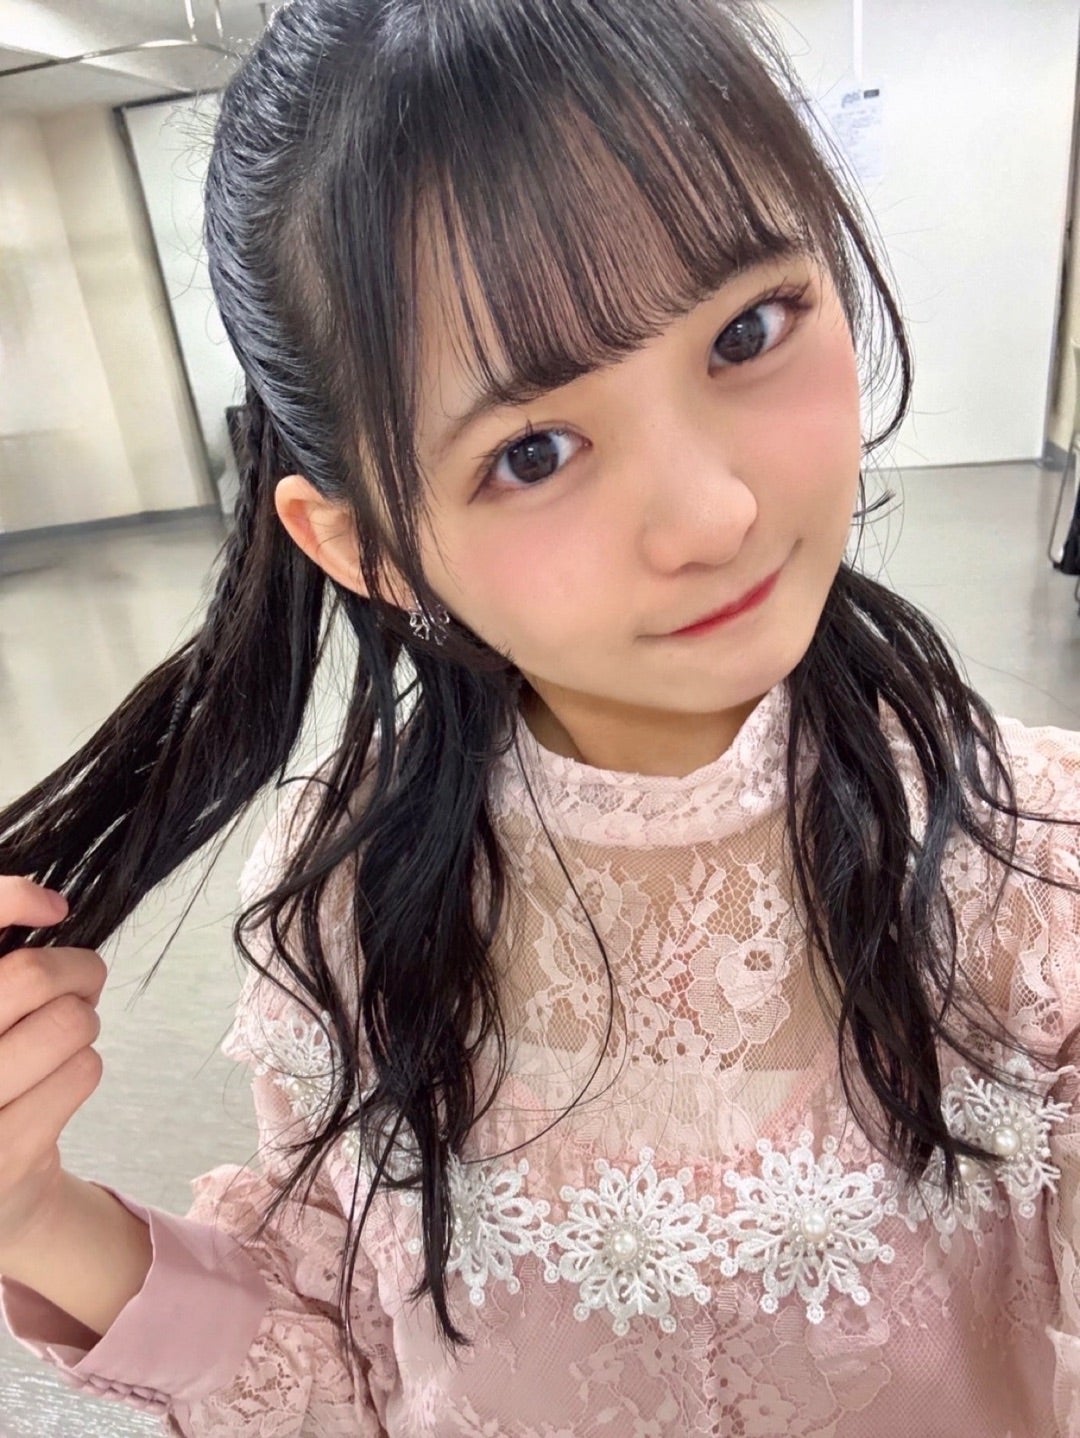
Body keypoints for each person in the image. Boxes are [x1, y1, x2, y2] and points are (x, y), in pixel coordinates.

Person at [0, 0, 1078, 1432]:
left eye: (747, 330)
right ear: (368, 549)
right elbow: (351, 1361)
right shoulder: (347, 893)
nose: (714, 513)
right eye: (535, 451)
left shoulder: (1034, 872)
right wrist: (32, 1211)